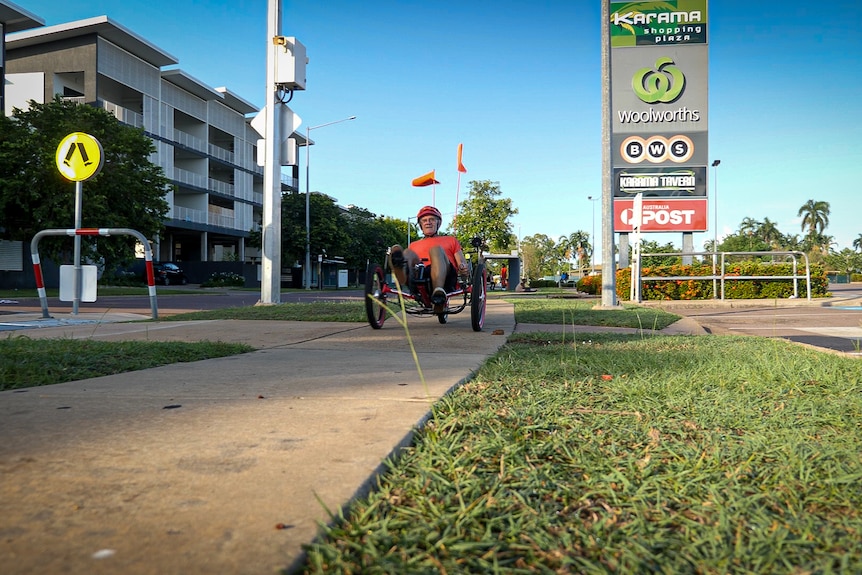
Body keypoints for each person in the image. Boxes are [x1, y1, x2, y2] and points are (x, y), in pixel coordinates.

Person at [389, 205, 470, 313]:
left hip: (446, 275)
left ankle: (438, 292)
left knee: (435, 250)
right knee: (407, 252)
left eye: (432, 219)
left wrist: (463, 268)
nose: (428, 222)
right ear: (421, 225)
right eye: (424, 220)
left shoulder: (450, 240)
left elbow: (461, 263)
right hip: (419, 276)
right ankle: (400, 272)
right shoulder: (414, 244)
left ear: (438, 223)